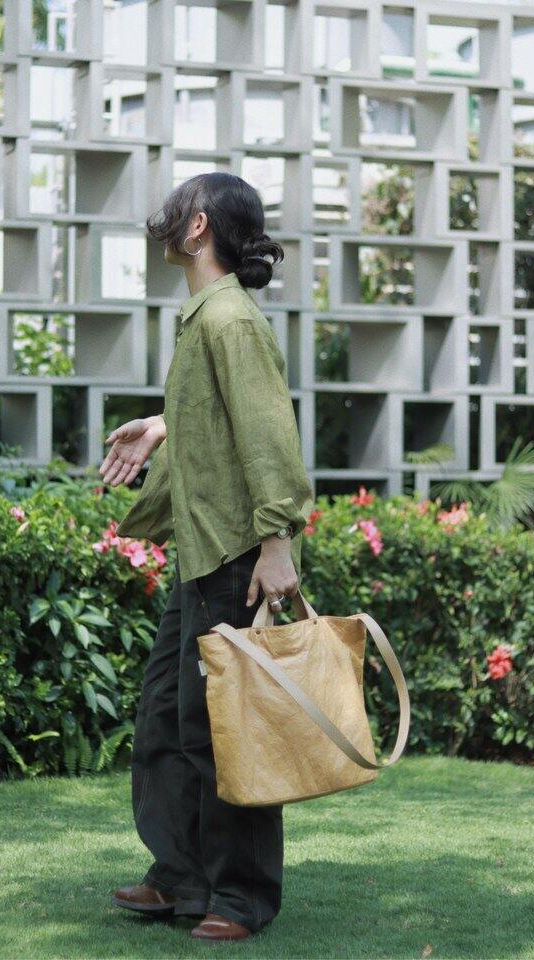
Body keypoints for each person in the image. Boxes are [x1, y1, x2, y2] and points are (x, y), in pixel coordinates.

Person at [99, 172, 314, 942]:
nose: (162, 220)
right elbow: (219, 413)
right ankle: (182, 877)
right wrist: (164, 423)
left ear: (197, 228)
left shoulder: (228, 320)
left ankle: (241, 897)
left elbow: (268, 433)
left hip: (236, 558)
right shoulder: (206, 318)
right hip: (201, 555)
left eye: (174, 210)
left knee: (229, 729)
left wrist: (278, 543)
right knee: (168, 716)